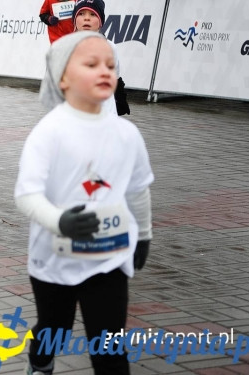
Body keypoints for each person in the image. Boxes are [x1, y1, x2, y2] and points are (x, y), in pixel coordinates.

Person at [16, 31, 153, 375]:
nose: (105, 71)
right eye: (91, 64)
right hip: (54, 256)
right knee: (54, 330)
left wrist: (145, 234)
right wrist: (59, 221)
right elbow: (27, 194)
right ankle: (40, 362)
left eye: (110, 64)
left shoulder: (126, 134)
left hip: (108, 256)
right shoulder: (49, 132)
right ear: (63, 77)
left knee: (109, 349)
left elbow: (138, 188)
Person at [72, 0, 130, 116]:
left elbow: (115, 77)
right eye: (81, 14)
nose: (86, 18)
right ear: (74, 19)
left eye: (93, 14)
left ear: (101, 22)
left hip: (103, 112)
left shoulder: (110, 47)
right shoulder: (66, 48)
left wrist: (120, 99)